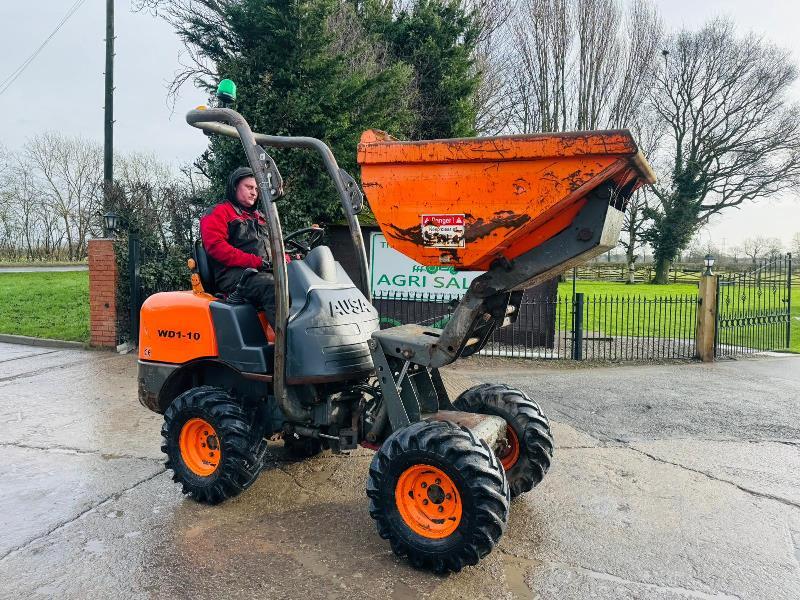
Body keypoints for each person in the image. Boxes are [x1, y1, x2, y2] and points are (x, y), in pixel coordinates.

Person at [199, 167, 276, 327]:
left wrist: (288, 259)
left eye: (256, 189)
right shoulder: (219, 212)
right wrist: (254, 262)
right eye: (249, 187)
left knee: (298, 280)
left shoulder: (260, 217)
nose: (254, 193)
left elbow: (275, 246)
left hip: (261, 271)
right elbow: (216, 247)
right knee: (273, 286)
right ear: (235, 187)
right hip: (234, 275)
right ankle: (289, 346)